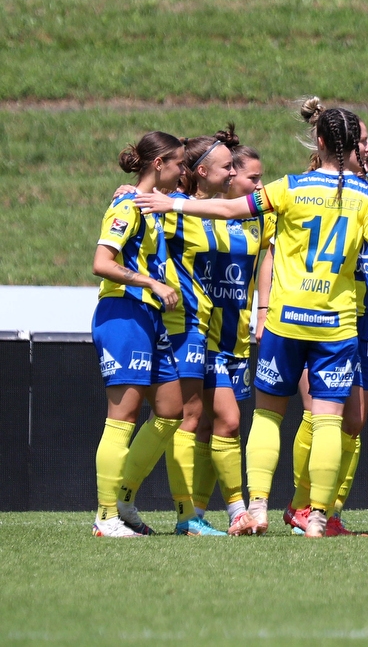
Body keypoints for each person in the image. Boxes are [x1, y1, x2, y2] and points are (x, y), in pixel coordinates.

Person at [136, 106, 368, 538]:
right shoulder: (364, 196)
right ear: (351, 146)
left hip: (286, 321)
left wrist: (173, 201)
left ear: (320, 143)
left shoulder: (289, 187)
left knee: (269, 418)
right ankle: (315, 517)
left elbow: (234, 209)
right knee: (329, 422)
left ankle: (257, 509)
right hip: (335, 325)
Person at [116, 126, 238, 537]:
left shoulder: (194, 207)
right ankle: (180, 514)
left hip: (197, 322)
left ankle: (138, 502)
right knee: (185, 416)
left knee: (183, 415)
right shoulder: (172, 204)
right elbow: (137, 210)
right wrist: (128, 194)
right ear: (198, 171)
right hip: (177, 320)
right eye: (228, 166)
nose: (235, 173)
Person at [90, 131, 184, 537]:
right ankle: (105, 515)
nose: (183, 172)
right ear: (159, 163)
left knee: (170, 411)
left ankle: (123, 498)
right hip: (123, 313)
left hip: (147, 317)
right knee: (123, 416)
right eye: (178, 163)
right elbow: (101, 262)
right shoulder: (127, 205)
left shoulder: (148, 204)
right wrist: (152, 283)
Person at [189, 142, 271, 536]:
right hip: (201, 335)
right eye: (253, 177)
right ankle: (239, 511)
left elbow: (268, 258)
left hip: (236, 336)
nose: (260, 185)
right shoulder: (194, 209)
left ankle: (196, 514)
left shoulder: (260, 218)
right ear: (230, 174)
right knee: (229, 421)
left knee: (210, 427)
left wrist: (263, 310)